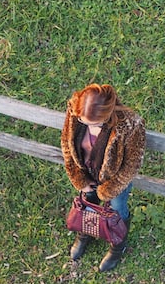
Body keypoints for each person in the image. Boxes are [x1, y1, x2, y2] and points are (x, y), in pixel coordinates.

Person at [61, 83, 146, 272]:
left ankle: (117, 245)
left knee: (117, 209)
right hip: (87, 172)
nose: (88, 125)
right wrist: (79, 179)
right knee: (88, 202)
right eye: (84, 122)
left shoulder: (130, 124)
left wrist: (108, 189)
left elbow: (132, 165)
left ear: (108, 114)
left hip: (114, 180)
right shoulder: (76, 110)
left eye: (95, 124)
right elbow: (67, 144)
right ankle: (85, 233)